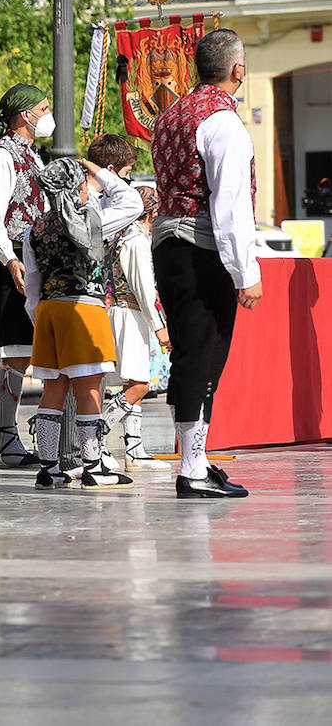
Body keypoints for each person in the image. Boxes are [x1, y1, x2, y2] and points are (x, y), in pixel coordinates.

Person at [151, 28, 260, 498]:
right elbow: (231, 205)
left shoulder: (172, 113)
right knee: (204, 354)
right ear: (238, 70)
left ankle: (196, 460)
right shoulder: (223, 122)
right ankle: (192, 468)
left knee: (190, 353)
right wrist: (247, 274)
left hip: (168, 242)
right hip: (201, 247)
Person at [23, 157, 142, 491]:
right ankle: (93, 466)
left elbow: (32, 282)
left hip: (48, 311)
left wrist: (38, 316)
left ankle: (49, 468)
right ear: (78, 185)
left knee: (54, 388)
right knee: (88, 388)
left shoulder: (36, 229)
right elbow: (131, 201)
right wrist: (95, 168)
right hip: (83, 309)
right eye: (86, 182)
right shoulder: (93, 221)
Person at [0, 83, 52, 469]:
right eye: (43, 108)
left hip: (39, 264)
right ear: (25, 114)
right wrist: (9, 260)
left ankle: (52, 439)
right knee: (15, 355)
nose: (47, 114)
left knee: (45, 353)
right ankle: (6, 441)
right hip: (13, 267)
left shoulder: (34, 158)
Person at [101, 180, 172, 472]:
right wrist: (159, 326)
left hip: (124, 313)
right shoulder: (136, 240)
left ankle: (134, 449)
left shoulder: (120, 236)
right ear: (151, 214)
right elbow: (144, 288)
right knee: (140, 386)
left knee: (134, 383)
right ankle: (96, 434)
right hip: (130, 314)